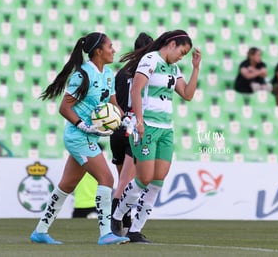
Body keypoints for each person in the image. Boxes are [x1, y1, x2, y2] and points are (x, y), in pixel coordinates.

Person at [30, 32, 130, 245]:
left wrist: (124, 118)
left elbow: (113, 105)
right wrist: (82, 124)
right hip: (78, 136)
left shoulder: (109, 74)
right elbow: (64, 107)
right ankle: (106, 234)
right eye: (110, 46)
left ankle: (40, 231)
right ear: (98, 51)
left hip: (89, 138)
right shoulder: (82, 75)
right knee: (107, 179)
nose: (114, 50)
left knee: (67, 185)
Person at [111, 30, 202, 243]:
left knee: (158, 180)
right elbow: (137, 91)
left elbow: (187, 95)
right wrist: (140, 121)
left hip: (165, 129)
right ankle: (115, 217)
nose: (182, 56)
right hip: (147, 127)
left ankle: (135, 230)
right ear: (171, 43)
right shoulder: (150, 60)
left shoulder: (174, 68)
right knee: (143, 178)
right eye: (182, 51)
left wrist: (196, 68)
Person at [110, 32, 153, 234]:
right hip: (133, 130)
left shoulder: (121, 73)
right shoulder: (147, 73)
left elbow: (114, 101)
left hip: (117, 129)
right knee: (127, 184)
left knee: (122, 181)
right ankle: (114, 227)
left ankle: (125, 226)